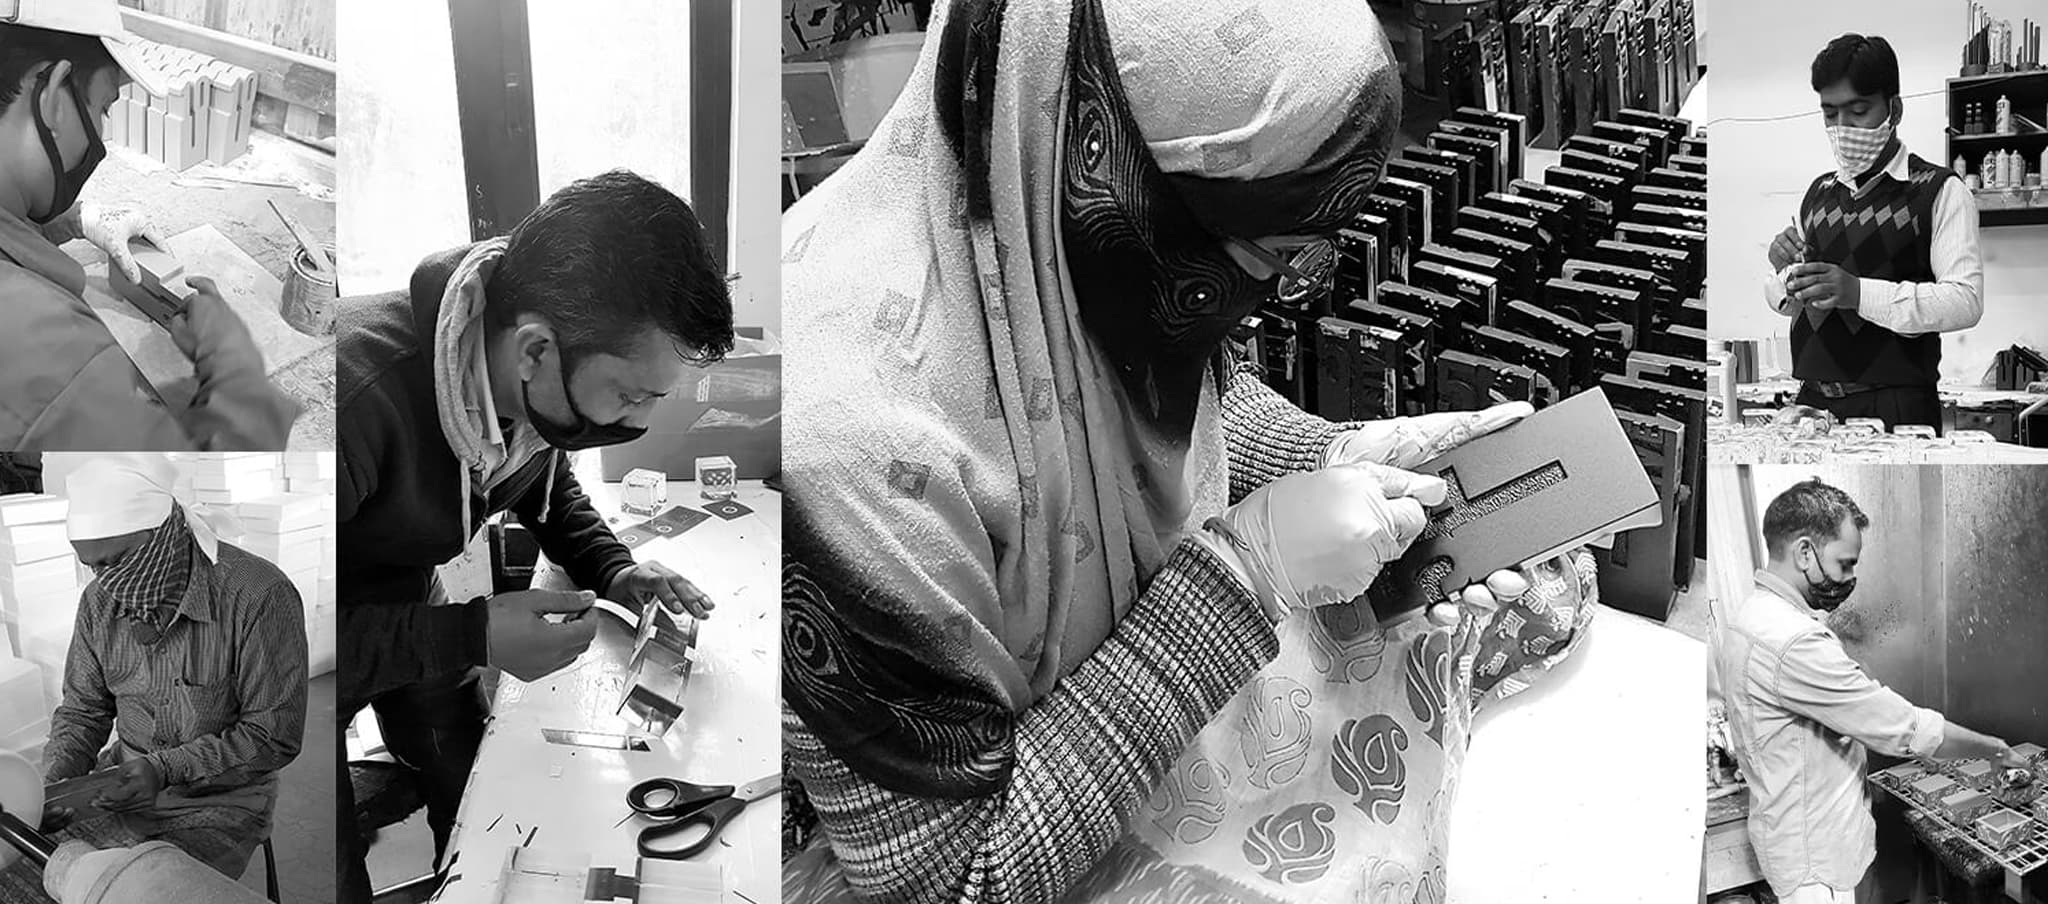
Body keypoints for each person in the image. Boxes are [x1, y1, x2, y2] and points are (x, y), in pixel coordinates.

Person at [778, 1, 1601, 901]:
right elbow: (956, 880)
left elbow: (1188, 393)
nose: (1282, 293)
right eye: (1269, 253)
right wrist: (1246, 574)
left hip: (1136, 696)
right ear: (1118, 185)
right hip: (998, 825)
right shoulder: (850, 452)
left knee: (1525, 599)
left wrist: (1346, 453)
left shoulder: (1045, 215)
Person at [334, 169, 735, 902]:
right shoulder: (353, 402)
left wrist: (616, 571)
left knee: (477, 783)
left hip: (402, 589)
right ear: (535, 351)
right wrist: (471, 637)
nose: (639, 423)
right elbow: (293, 645)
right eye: (631, 393)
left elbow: (545, 489)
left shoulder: (521, 377)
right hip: (315, 625)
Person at [0, 0, 299, 451]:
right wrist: (235, 371)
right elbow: (218, 499)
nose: (102, 134)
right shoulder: (53, 353)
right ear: (52, 98)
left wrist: (77, 218)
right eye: (102, 107)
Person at [1713, 479, 2027, 904]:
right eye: (1845, 563)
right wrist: (1993, 748)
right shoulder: (1792, 641)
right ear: (1805, 552)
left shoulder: (1751, 616)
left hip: (1790, 834)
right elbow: (1903, 728)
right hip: (1816, 864)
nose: (1849, 578)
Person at [39, 454, 309, 881]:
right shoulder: (98, 603)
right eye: (92, 565)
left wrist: (165, 770)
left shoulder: (258, 596)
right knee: (28, 870)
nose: (106, 580)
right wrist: (53, 787)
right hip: (117, 785)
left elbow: (274, 736)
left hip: (220, 801)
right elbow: (83, 711)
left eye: (115, 561)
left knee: (146, 889)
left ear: (164, 534)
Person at [1765, 34, 1984, 431]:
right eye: (1830, 114)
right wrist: (1783, 274)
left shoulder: (1939, 191)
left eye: (1858, 111)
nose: (1842, 128)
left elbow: (1964, 301)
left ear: (1893, 110)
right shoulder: (1819, 193)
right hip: (1811, 402)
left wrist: (1857, 293)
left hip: (1895, 407)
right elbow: (1796, 301)